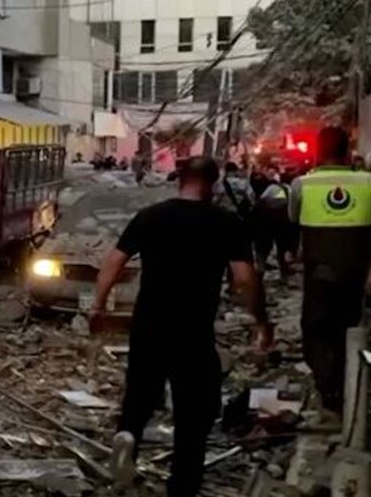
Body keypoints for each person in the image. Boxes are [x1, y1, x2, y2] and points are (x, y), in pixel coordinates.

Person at [93, 156, 270, 496]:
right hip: (193, 332)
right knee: (194, 416)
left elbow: (113, 262)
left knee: (140, 393)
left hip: (148, 326)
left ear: (179, 180)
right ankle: (182, 488)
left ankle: (128, 433)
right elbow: (245, 279)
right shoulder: (226, 223)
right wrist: (261, 321)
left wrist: (99, 306)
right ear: (214, 184)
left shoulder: (151, 217)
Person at [289, 126, 371, 415]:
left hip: (319, 274)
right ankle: (350, 388)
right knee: (352, 328)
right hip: (358, 274)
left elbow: (293, 219)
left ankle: (330, 390)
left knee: (317, 330)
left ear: (317, 152)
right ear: (348, 151)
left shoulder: (302, 185)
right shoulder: (368, 183)